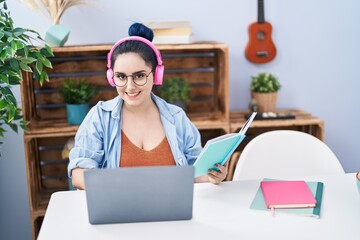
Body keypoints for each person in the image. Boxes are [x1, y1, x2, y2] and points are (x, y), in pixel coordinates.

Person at [68, 23, 227, 190]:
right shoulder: (100, 116)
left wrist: (212, 176)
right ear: (111, 77)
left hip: (172, 211)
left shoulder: (176, 117)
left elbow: (196, 174)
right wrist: (119, 186)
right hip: (120, 212)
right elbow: (79, 174)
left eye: (140, 76)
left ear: (157, 74)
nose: (130, 87)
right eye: (121, 77)